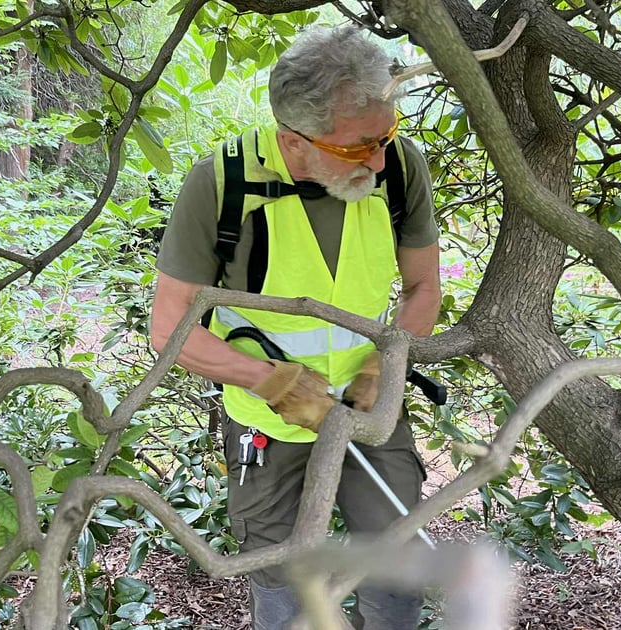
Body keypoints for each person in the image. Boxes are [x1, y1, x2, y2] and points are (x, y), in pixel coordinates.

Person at [149, 26, 441, 630]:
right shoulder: (221, 187)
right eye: (360, 145)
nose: (381, 159)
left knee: (393, 563)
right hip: (265, 423)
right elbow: (169, 327)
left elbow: (422, 289)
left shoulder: (398, 171)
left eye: (387, 136)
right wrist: (272, 382)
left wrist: (379, 370)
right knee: (278, 574)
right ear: (294, 140)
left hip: (372, 408)